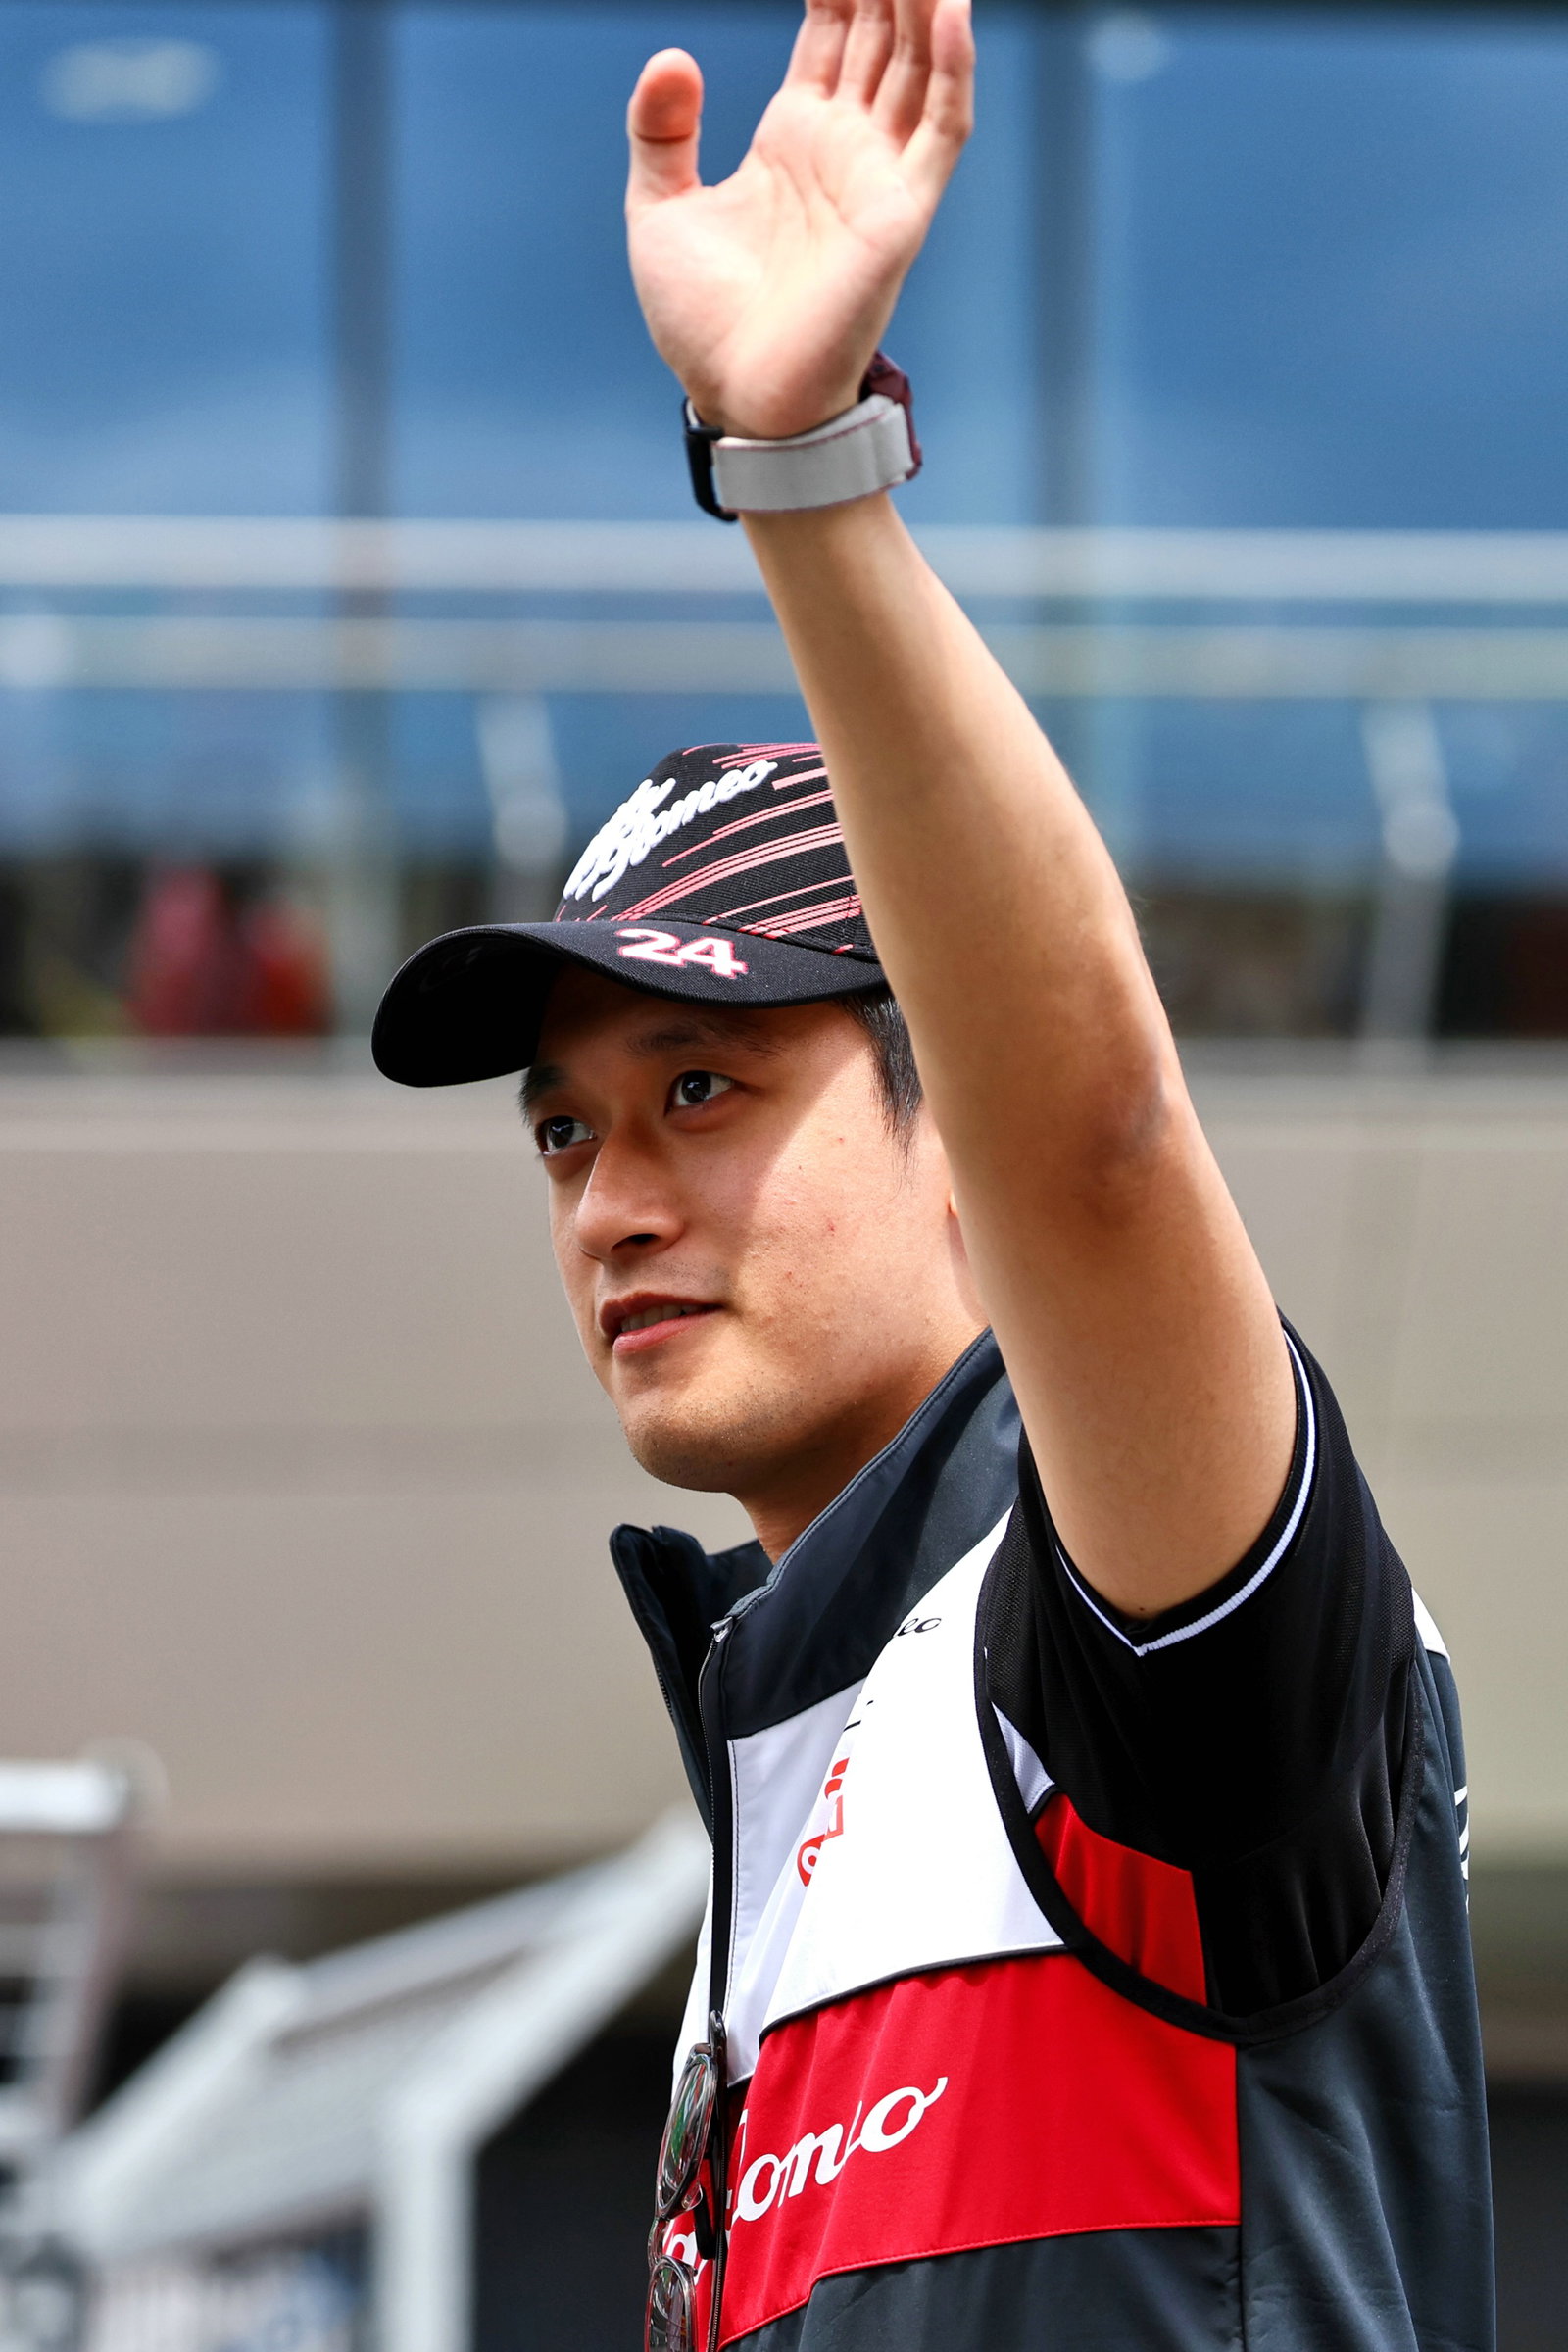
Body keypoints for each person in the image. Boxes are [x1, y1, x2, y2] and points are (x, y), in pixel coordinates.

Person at [371, 4, 1493, 2345]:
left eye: (702, 1091)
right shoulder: (784, 1780)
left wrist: (798, 467)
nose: (605, 1200)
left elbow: (1093, 1137)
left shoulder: (1122, 1626)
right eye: (563, 1129)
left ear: (943, 1132)